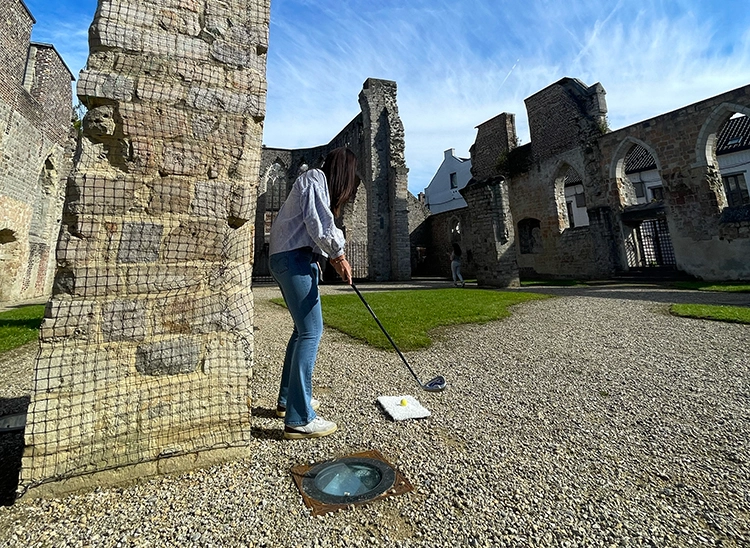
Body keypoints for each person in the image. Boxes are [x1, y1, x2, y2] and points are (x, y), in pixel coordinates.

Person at [268, 147, 357, 439]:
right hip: (293, 258)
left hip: (291, 258)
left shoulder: (315, 183)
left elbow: (315, 226)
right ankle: (299, 417)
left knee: (300, 331)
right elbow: (320, 224)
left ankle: (287, 401)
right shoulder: (314, 179)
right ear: (343, 174)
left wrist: (330, 258)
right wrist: (340, 256)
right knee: (311, 331)